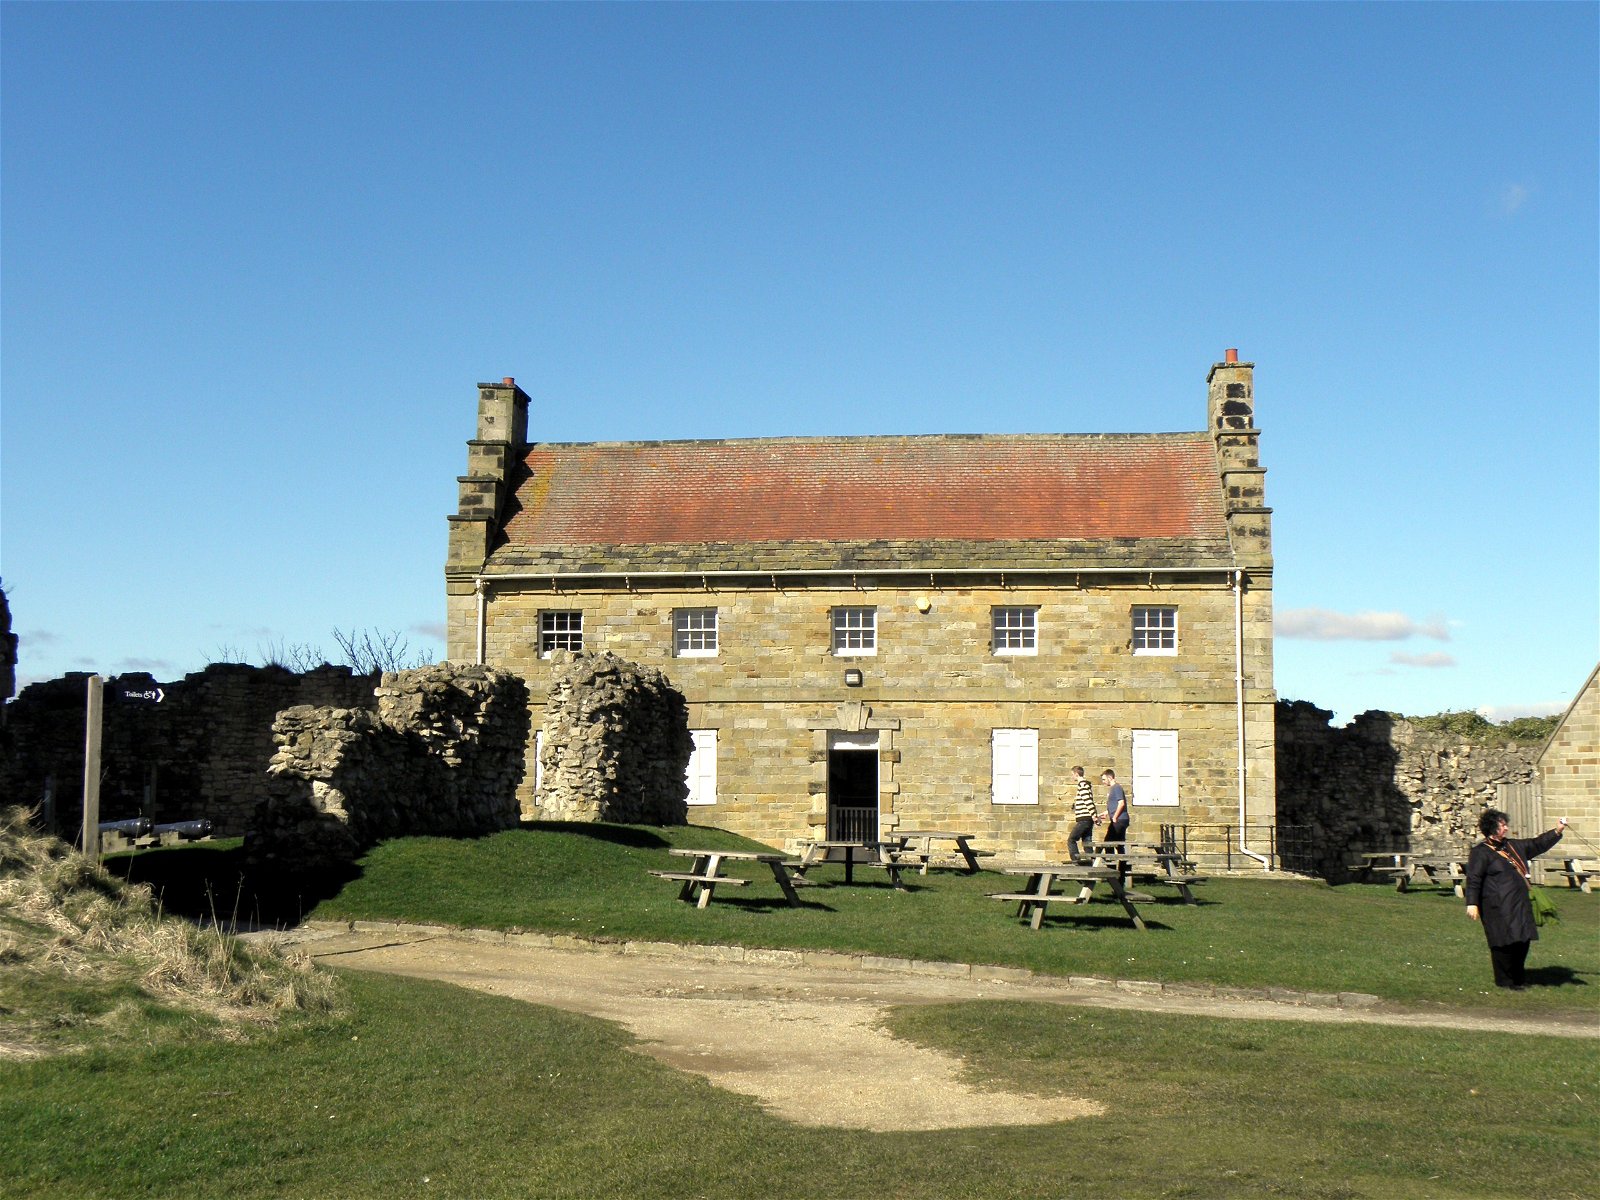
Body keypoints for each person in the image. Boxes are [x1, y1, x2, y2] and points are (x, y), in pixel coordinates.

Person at [1464, 809, 1567, 990]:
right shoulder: (1480, 852)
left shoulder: (1513, 846)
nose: (1506, 828)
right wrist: (1472, 903)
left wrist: (1557, 831)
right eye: (1502, 825)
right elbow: (1474, 879)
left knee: (1522, 940)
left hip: (1519, 904)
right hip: (1496, 906)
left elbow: (1537, 844)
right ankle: (1505, 981)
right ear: (1492, 828)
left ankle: (1518, 978)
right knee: (1503, 943)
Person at [1067, 766, 1098, 862]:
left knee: (1071, 840)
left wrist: (1094, 816)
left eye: (1072, 775)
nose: (1072, 777)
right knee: (1086, 842)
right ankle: (1092, 862)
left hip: (1084, 819)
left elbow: (1088, 801)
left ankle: (1076, 860)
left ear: (1076, 774)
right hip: (1087, 819)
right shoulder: (1085, 785)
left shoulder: (1082, 785)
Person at [1101, 770, 1129, 852]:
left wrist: (1115, 817)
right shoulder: (1113, 788)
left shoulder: (1116, 787)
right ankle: (1124, 864)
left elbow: (1121, 803)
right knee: (1119, 844)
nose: (1103, 782)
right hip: (1119, 819)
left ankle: (1112, 864)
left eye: (1104, 779)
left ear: (1110, 778)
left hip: (1119, 819)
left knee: (1108, 843)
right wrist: (1106, 813)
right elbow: (1115, 805)